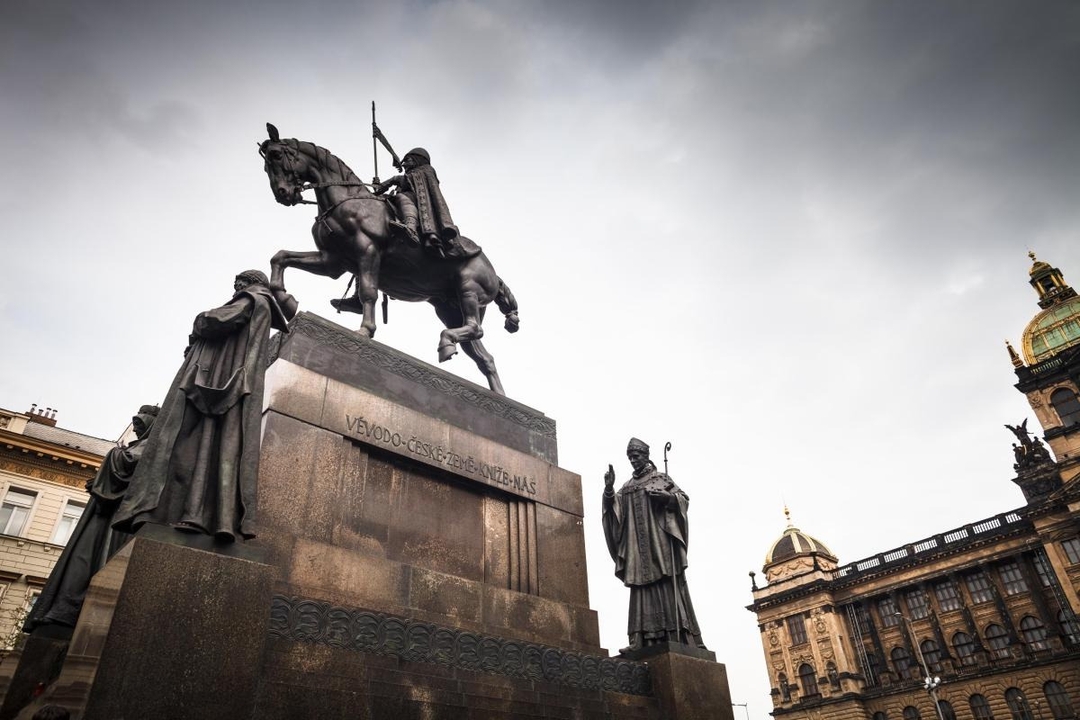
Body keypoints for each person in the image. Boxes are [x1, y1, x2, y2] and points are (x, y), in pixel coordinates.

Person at [113, 270, 297, 541]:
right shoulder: (261, 305)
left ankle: (195, 514)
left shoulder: (252, 298)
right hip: (231, 384)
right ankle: (210, 516)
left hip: (218, 383)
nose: (236, 289)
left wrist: (200, 320)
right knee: (215, 448)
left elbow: (213, 321)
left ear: (249, 284)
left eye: (239, 284)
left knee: (191, 442)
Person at [24, 405, 159, 632]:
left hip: (114, 519)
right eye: (135, 425)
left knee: (89, 560)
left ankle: (70, 608)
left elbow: (126, 464)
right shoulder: (143, 445)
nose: (135, 430)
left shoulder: (152, 446)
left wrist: (113, 459)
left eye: (140, 424)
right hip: (104, 515)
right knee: (83, 559)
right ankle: (64, 609)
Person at [602, 437, 706, 654]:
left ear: (646, 456)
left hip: (659, 543)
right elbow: (615, 510)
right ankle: (639, 640)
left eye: (636, 456)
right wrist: (609, 490)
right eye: (630, 457)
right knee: (641, 588)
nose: (633, 461)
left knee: (666, 584)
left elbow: (683, 499)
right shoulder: (628, 487)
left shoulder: (660, 478)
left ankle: (675, 634)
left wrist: (668, 498)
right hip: (637, 548)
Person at [374, 148, 461, 258]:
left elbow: (406, 181)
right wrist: (379, 186)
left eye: (407, 161)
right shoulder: (408, 175)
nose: (404, 164)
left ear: (417, 160)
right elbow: (390, 186)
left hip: (416, 200)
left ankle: (411, 229)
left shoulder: (426, 170)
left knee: (401, 197)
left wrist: (394, 179)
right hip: (399, 198)